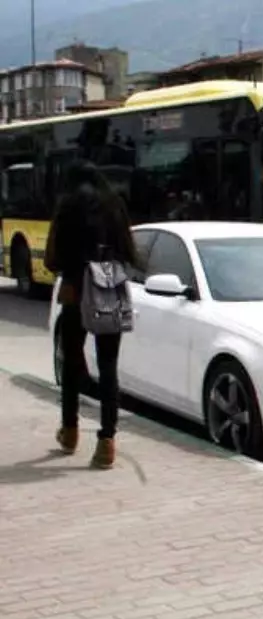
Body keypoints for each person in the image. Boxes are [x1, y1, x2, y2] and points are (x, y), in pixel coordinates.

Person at [45, 163, 141, 470]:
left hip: (76, 285)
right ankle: (107, 442)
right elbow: (129, 251)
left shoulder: (68, 205)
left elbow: (54, 257)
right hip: (110, 282)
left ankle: (70, 431)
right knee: (109, 364)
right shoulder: (115, 204)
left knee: (72, 358)